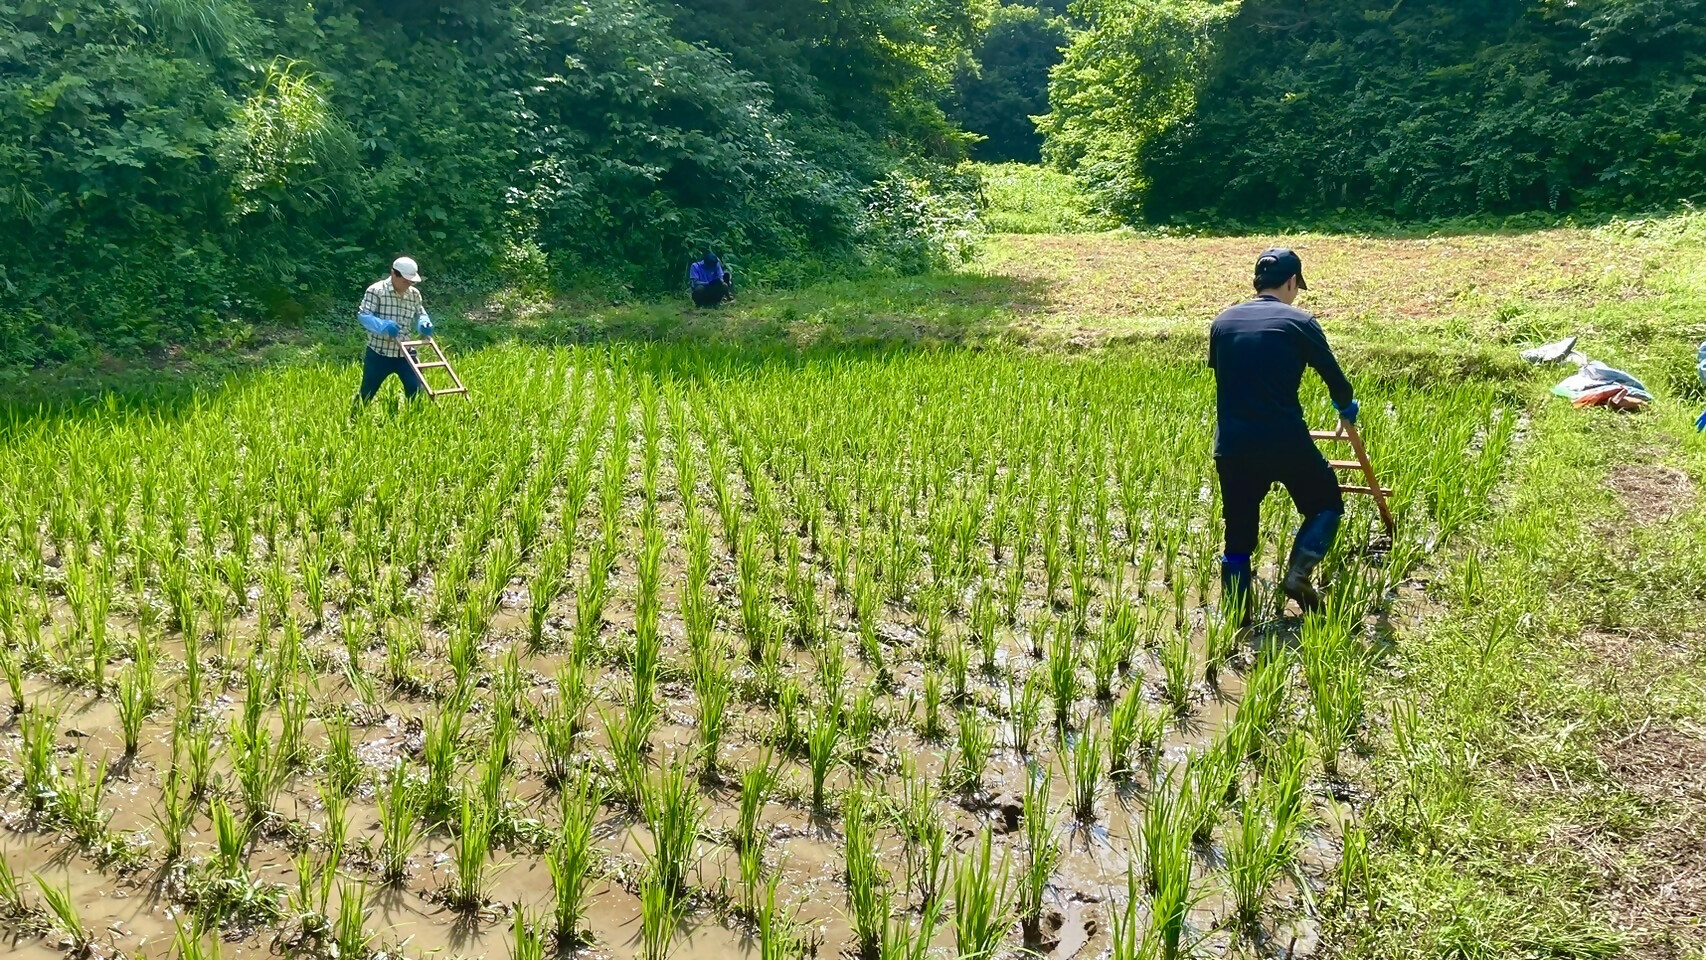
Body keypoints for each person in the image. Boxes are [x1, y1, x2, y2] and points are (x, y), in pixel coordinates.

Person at [1208, 248, 1358, 624]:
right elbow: (1335, 380)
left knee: (1238, 533)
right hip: (1284, 439)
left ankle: (1236, 620)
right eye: (1297, 287)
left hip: (1233, 444)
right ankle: (1297, 575)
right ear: (1292, 282)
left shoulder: (1222, 323)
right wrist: (1346, 408)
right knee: (1325, 503)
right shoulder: (1299, 322)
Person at [355, 256, 434, 403]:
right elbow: (364, 316)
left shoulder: (414, 294)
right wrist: (383, 326)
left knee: (416, 391)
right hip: (380, 353)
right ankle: (353, 421)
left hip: (405, 353)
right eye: (405, 281)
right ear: (393, 273)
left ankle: (415, 422)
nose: (408, 285)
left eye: (411, 281)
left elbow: (420, 313)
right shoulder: (376, 291)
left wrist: (424, 322)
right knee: (366, 393)